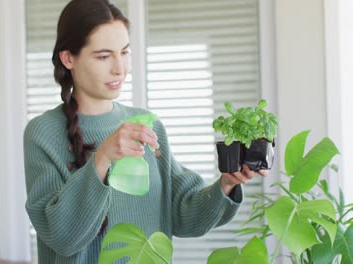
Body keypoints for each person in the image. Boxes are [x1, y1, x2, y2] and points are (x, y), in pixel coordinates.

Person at [23, 0, 268, 263]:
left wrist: (227, 183)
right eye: (104, 56)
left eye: (125, 52)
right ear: (68, 57)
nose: (120, 68)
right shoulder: (43, 133)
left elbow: (184, 214)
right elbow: (62, 236)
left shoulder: (147, 126)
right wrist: (102, 157)